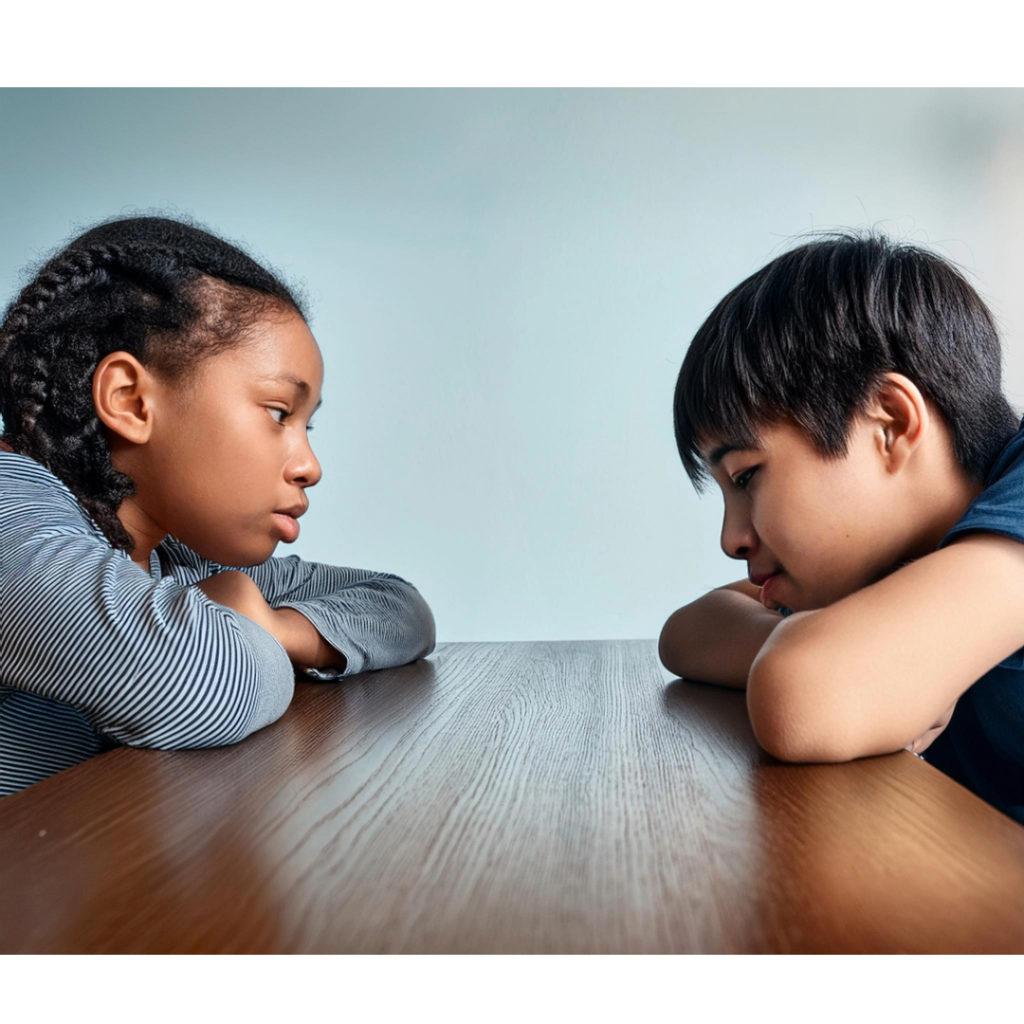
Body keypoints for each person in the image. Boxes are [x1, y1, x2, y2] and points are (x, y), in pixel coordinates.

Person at [0, 215, 435, 796]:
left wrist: (278, 626)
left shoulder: (173, 558)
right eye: (279, 414)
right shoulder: (12, 521)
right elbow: (207, 685)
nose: (310, 465)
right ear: (130, 400)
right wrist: (235, 619)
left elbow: (399, 608)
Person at [659, 232, 1024, 824]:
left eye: (746, 476)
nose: (731, 540)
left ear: (890, 423)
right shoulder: (889, 559)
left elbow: (801, 693)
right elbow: (686, 633)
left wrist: (822, 656)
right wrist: (855, 651)